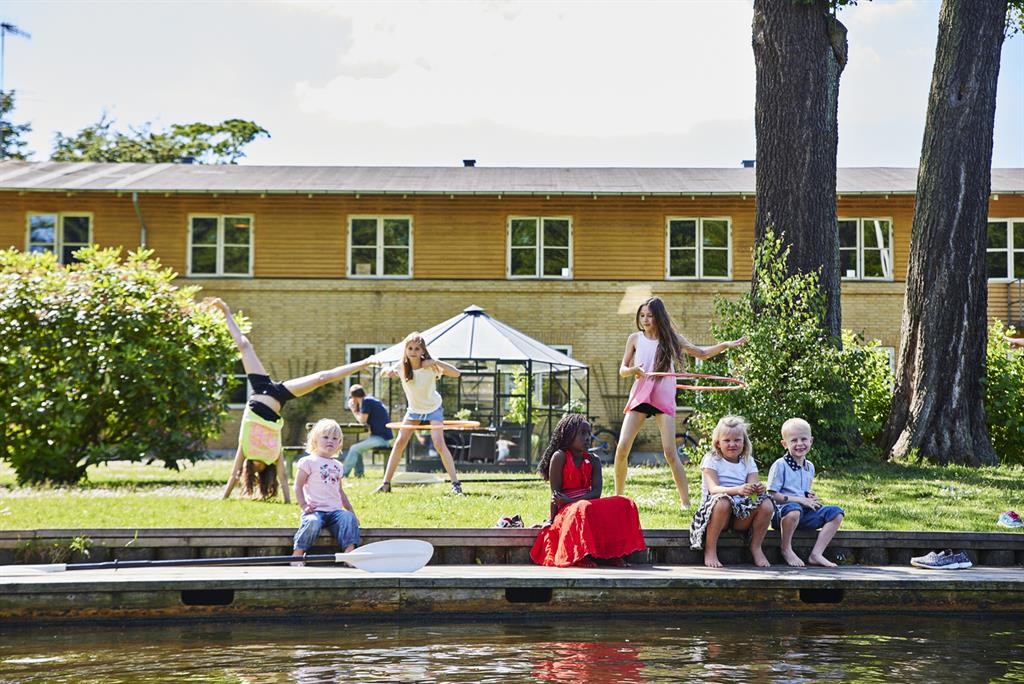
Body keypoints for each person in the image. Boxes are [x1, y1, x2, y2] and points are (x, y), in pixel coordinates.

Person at [208, 297, 369, 502]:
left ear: (249, 466)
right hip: (279, 396)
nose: (256, 465)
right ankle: (365, 362)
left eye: (252, 466)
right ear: (265, 471)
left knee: (244, 345)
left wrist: (224, 497)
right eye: (259, 468)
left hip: (259, 389)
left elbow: (233, 474)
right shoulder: (273, 452)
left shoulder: (246, 450)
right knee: (322, 378)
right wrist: (287, 500)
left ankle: (226, 311)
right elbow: (283, 477)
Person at [613, 296, 747, 510]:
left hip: (662, 395)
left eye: (650, 316)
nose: (646, 320)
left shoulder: (672, 339)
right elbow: (622, 370)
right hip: (641, 394)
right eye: (642, 316)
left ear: (659, 318)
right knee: (621, 448)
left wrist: (726, 345)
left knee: (669, 451)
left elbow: (701, 354)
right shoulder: (635, 339)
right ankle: (618, 497)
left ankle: (685, 502)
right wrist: (633, 371)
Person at [531, 414, 646, 568]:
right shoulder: (559, 457)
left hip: (584, 504)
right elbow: (556, 496)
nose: (587, 438)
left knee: (625, 502)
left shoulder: (594, 460)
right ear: (568, 436)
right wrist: (551, 521)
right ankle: (580, 556)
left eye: (589, 433)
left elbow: (596, 493)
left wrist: (571, 501)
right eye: (582, 433)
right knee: (582, 507)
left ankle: (611, 554)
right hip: (566, 511)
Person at [373, 332, 464, 495]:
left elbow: (456, 373)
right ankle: (385, 483)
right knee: (400, 442)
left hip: (433, 408)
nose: (413, 351)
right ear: (405, 350)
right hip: (414, 410)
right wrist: (387, 372)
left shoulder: (430, 366)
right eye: (410, 348)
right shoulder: (402, 366)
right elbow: (384, 372)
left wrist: (436, 361)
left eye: (416, 348)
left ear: (423, 351)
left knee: (439, 443)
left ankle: (455, 484)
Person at [688, 415, 774, 568]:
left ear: (744, 442)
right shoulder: (711, 459)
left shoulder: (748, 461)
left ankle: (756, 547)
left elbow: (753, 491)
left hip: (740, 515)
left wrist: (757, 489)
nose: (732, 444)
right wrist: (739, 490)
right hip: (715, 513)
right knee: (723, 501)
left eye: (737, 440)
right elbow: (713, 489)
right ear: (718, 443)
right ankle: (710, 549)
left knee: (766, 503)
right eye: (727, 440)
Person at [767, 417, 845, 568]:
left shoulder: (809, 466)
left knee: (836, 513)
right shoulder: (780, 465)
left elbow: (803, 490)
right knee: (794, 510)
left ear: (811, 441)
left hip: (803, 514)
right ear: (785, 444)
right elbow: (771, 495)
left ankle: (816, 554)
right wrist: (799, 500)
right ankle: (786, 548)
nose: (800, 444)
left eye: (804, 439)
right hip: (783, 515)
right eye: (794, 440)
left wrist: (809, 496)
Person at [291, 418, 359, 565]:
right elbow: (298, 486)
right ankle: (297, 554)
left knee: (347, 518)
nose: (330, 441)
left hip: (334, 511)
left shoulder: (338, 465)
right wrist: (303, 505)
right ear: (315, 440)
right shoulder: (308, 462)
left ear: (339, 443)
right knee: (313, 522)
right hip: (315, 510)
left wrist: (351, 511)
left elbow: (340, 491)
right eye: (326, 437)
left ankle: (349, 553)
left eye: (335, 438)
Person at [343, 384, 393, 478]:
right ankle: (359, 474)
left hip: (381, 439)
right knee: (357, 447)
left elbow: (362, 420)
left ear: (353, 397)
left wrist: (353, 409)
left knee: (354, 448)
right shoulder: (370, 400)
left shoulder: (366, 402)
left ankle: (343, 474)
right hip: (383, 437)